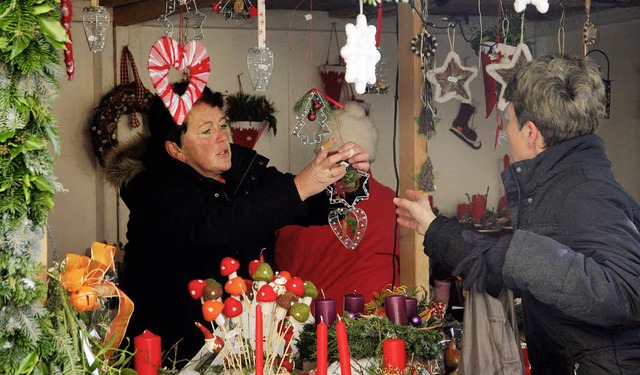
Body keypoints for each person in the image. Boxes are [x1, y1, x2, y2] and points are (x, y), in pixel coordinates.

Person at [394, 54, 640, 374]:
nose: (507, 132)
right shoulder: (560, 184)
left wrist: (525, 256)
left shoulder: (586, 192)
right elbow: (507, 264)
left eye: (509, 120)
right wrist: (435, 229)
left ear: (531, 133)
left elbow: (628, 292)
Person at [103, 82, 370, 365]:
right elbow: (218, 228)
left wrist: (341, 182)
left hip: (244, 347)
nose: (222, 138)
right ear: (176, 150)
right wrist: (302, 185)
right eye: (206, 131)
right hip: (176, 354)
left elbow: (299, 204)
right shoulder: (153, 191)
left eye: (222, 125)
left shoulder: (238, 171)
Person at [274, 102, 399, 314]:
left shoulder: (295, 203)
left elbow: (282, 263)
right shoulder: (391, 201)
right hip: (375, 326)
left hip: (309, 326)